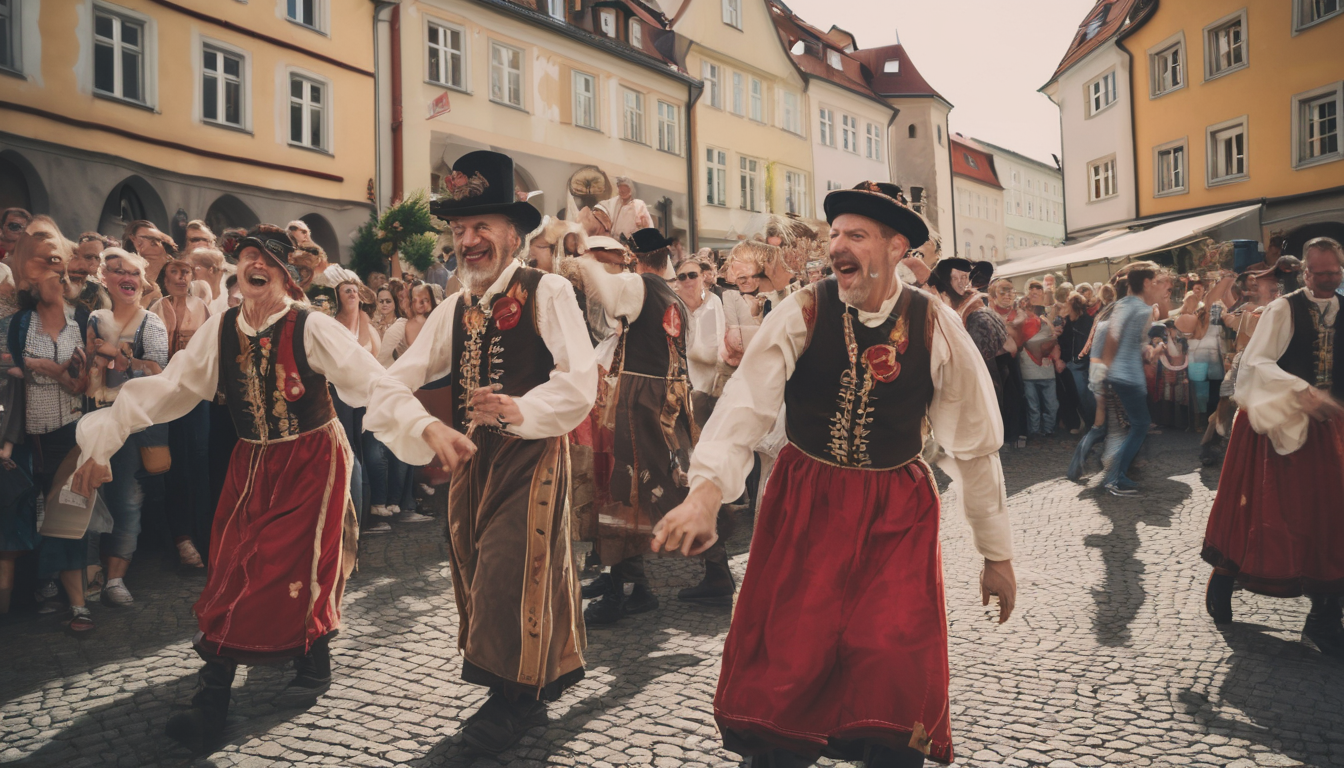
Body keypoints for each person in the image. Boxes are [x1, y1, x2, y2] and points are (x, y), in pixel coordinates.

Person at [653, 182, 1016, 768]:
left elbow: (974, 448)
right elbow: (744, 410)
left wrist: (996, 554)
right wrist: (705, 492)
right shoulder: (803, 312)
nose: (837, 247)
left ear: (897, 247)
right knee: (790, 660)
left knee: (894, 658)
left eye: (856, 236)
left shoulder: (936, 326)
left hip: (895, 513)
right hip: (807, 504)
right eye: (835, 234)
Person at [70, 223, 469, 751]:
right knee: (234, 565)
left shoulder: (312, 326)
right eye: (247, 259)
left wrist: (424, 426)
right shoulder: (223, 326)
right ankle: (226, 687)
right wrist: (105, 435)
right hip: (252, 460)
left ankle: (270, 672)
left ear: (286, 276)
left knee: (300, 563)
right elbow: (172, 387)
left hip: (312, 457)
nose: (254, 265)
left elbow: (371, 381)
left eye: (267, 260)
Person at [385, 150, 597, 754]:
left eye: (481, 228)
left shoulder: (546, 289)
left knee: (511, 567)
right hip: (473, 457)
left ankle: (508, 702)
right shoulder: (454, 306)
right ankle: (532, 685)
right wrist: (381, 399)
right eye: (458, 230)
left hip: (531, 453)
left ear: (513, 233)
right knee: (479, 569)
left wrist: (520, 410)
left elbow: (580, 380)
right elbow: (402, 373)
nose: (467, 241)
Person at [1202, 238, 1344, 658]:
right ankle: (1225, 575)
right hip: (1275, 423)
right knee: (1255, 509)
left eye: (1335, 272)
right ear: (1305, 273)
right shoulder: (1284, 309)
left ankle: (1324, 616)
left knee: (1330, 517)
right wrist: (1302, 391)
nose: (1328, 280)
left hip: (1329, 427)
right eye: (1320, 274)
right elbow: (1256, 363)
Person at [576, 228, 702, 622]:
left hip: (639, 399)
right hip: (668, 398)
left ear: (634, 257)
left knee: (630, 491)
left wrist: (582, 254)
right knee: (651, 488)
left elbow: (609, 299)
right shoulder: (675, 298)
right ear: (666, 259)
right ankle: (630, 582)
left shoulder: (636, 285)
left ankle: (629, 589)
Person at [6, 220, 93, 629]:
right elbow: (11, 372)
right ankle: (41, 585)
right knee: (33, 511)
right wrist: (44, 367)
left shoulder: (85, 319)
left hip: (70, 431)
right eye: (46, 272)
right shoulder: (18, 323)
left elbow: (85, 383)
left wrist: (48, 369)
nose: (55, 279)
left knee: (67, 513)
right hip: (27, 435)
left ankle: (77, 604)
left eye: (59, 273)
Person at [83, 248, 169, 598]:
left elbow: (160, 375)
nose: (126, 277)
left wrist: (117, 355)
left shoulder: (151, 322)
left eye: (133, 271)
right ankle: (89, 576)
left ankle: (116, 578)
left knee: (126, 499)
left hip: (131, 425)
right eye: (117, 270)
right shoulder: (91, 318)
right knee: (89, 497)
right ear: (105, 277)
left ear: (142, 279)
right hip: (91, 419)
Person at [150, 256, 214, 567]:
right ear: (164, 276)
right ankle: (178, 536)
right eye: (174, 272)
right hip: (165, 393)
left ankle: (203, 535)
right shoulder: (155, 308)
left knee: (200, 458)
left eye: (185, 272)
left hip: (196, 393)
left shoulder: (202, 307)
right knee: (172, 461)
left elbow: (212, 348)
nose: (180, 277)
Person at [1099, 262, 1172, 496]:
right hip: (1126, 377)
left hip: (1124, 376)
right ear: (1147, 283)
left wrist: (1155, 350)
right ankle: (1114, 477)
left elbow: (1139, 348)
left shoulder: (1130, 306)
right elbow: (1113, 338)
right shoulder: (1141, 309)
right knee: (1138, 425)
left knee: (1133, 426)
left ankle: (1116, 474)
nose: (1161, 287)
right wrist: (1106, 371)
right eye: (1158, 282)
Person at [68, 233, 113, 313]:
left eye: (97, 258)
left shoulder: (108, 290)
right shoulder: (66, 284)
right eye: (88, 257)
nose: (93, 263)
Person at [601, 176, 653, 243]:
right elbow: (603, 205)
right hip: (615, 241)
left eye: (624, 191)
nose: (621, 192)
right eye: (620, 190)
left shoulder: (639, 204)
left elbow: (648, 226)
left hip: (632, 243)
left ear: (630, 190)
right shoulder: (616, 202)